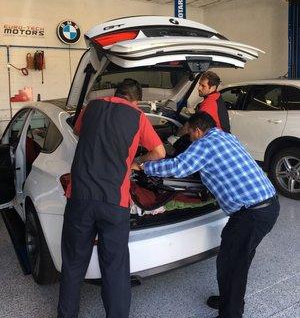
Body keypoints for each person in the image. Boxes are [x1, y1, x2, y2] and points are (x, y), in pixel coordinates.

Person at [132, 111, 279, 318]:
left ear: (198, 131)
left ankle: (230, 313)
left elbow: (179, 166)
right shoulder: (225, 136)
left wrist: (143, 166)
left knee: (231, 263)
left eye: (190, 135)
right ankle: (231, 300)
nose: (190, 140)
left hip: (251, 214)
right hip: (268, 205)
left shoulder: (204, 144)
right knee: (239, 260)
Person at [57, 79, 165, 318]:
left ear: (116, 93)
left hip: (80, 198)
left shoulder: (92, 107)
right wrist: (136, 162)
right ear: (136, 101)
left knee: (73, 265)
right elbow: (160, 152)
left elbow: (77, 131)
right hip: (114, 202)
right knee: (115, 268)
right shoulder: (137, 116)